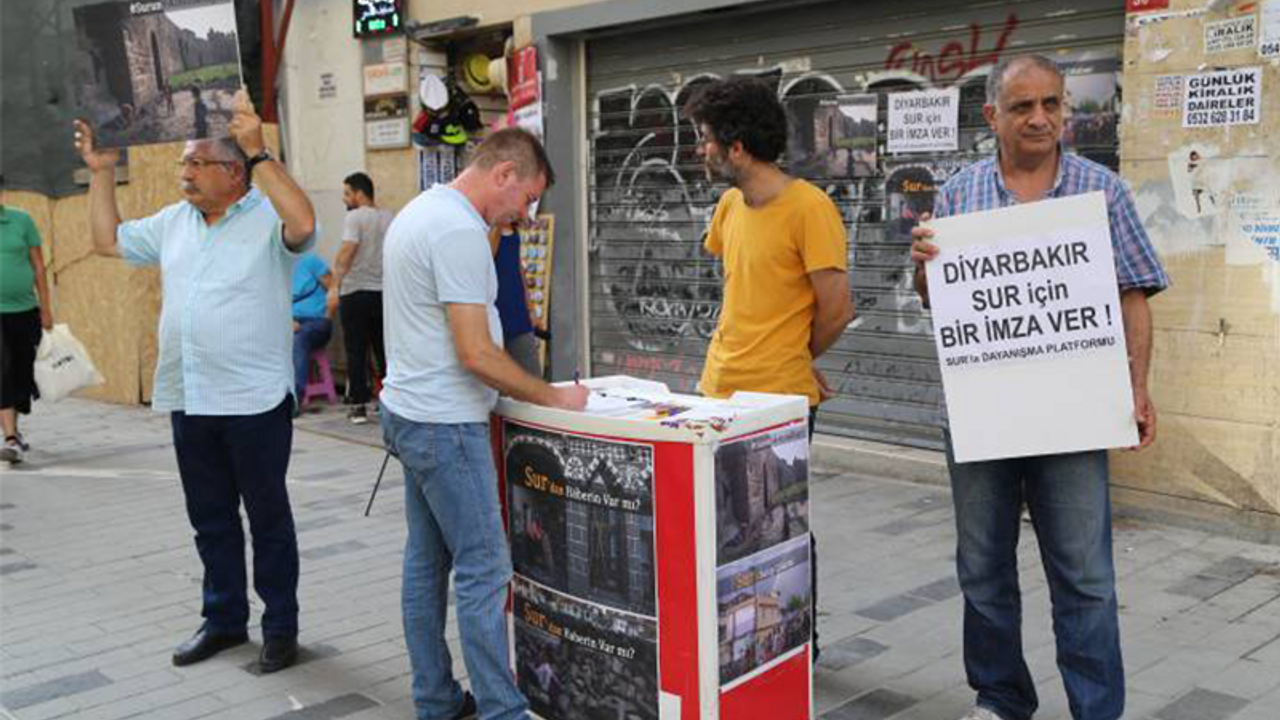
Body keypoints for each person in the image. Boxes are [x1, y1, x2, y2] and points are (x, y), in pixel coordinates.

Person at [910, 55, 1169, 720]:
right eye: (1023, 106)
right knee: (983, 570)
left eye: (1052, 104)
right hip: (982, 414)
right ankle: (999, 699)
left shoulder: (1100, 192)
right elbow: (944, 303)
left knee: (1084, 577)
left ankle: (1096, 709)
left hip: (1074, 414)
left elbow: (1134, 295)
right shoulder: (960, 193)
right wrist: (921, 270)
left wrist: (1135, 389)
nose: (1041, 118)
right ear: (992, 115)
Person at [75, 88, 317, 674]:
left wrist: (263, 153)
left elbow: (306, 224)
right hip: (191, 394)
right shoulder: (174, 222)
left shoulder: (266, 217)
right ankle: (225, 620)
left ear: (234, 173)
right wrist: (103, 175)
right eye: (185, 161)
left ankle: (279, 627)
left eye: (195, 162)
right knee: (210, 518)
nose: (183, 171)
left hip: (254, 400)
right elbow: (106, 242)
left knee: (268, 521)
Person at [380, 127, 588, 720]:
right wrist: (551, 397)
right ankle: (502, 710)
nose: (525, 215)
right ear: (503, 174)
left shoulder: (426, 210)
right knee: (484, 569)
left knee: (426, 563)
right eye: (526, 199)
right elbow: (477, 353)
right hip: (445, 426)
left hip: (410, 413)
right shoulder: (457, 231)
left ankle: (437, 700)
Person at [683, 76, 855, 661]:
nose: (699, 150)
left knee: (779, 528)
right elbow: (744, 292)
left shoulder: (810, 208)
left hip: (777, 402)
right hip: (715, 391)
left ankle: (795, 646)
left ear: (736, 147)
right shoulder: (729, 205)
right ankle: (734, 647)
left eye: (705, 139)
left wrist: (795, 362)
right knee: (723, 527)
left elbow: (837, 308)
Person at [329, 172, 392, 424]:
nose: (345, 199)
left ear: (358, 193)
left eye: (347, 193)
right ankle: (389, 402)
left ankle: (358, 405)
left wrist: (334, 286)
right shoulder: (389, 216)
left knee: (356, 349)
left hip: (355, 291)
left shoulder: (354, 217)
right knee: (383, 348)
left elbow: (347, 251)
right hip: (382, 292)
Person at [0, 181, 54, 464]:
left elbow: (38, 266)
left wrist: (45, 307)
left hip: (24, 310)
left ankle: (14, 431)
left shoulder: (21, 220)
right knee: (2, 370)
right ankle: (9, 437)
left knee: (21, 372)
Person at [490, 223, 542, 377]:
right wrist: (497, 225)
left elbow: (519, 268)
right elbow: (486, 257)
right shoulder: (487, 226)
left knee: (532, 374)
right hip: (496, 310)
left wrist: (530, 308)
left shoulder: (513, 226)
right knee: (499, 379)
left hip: (518, 311)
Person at [291, 252, 335, 409]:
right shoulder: (277, 269)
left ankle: (296, 397)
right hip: (290, 322)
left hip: (316, 321)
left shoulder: (310, 261)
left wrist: (328, 316)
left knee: (298, 337)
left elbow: (334, 288)